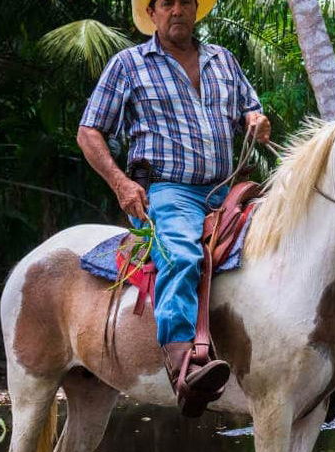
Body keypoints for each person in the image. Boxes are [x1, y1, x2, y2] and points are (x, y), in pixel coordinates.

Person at [77, 0, 268, 414]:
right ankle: (185, 366)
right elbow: (89, 131)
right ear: (152, 13)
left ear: (196, 9)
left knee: (288, 236)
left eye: (185, 2)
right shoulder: (129, 64)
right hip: (168, 191)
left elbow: (249, 111)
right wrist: (121, 183)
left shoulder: (223, 60)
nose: (177, 10)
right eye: (167, 3)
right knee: (182, 255)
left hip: (226, 189)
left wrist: (255, 120)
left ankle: (326, 357)